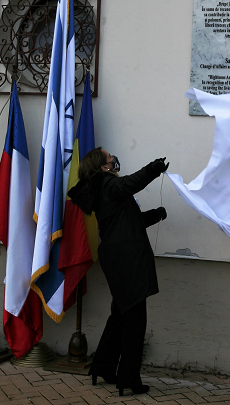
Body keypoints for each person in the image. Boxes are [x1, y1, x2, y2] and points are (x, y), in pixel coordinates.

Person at [68, 147, 169, 396]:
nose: (113, 159)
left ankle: (103, 365)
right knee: (135, 319)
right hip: (126, 259)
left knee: (121, 315)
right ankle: (129, 378)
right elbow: (131, 183)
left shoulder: (104, 189)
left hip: (119, 257)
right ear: (103, 167)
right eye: (110, 158)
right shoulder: (107, 185)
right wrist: (154, 169)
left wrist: (156, 215)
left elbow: (125, 222)